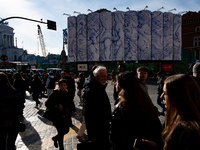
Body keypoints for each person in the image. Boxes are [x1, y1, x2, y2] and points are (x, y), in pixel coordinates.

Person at [144, 74, 200, 150]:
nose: (161, 96)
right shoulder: (173, 119)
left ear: (179, 96)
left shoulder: (189, 131)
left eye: (165, 93)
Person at [110, 71, 163, 150]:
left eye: (117, 82)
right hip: (145, 144)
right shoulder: (144, 100)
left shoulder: (122, 105)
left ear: (122, 85)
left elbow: (115, 133)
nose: (115, 84)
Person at [83, 66, 112, 149]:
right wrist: (91, 135)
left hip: (103, 125)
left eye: (106, 76)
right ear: (96, 77)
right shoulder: (91, 90)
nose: (105, 78)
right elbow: (88, 114)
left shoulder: (99, 85)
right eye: (103, 76)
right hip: (98, 129)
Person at [45, 79, 74, 150]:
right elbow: (47, 103)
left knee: (66, 130)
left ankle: (55, 138)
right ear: (59, 86)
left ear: (66, 86)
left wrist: (73, 110)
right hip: (57, 116)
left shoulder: (67, 93)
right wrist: (56, 105)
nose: (63, 87)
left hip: (66, 115)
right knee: (60, 131)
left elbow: (71, 102)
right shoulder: (55, 93)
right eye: (61, 85)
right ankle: (61, 148)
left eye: (64, 85)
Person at [0, 72, 24, 150]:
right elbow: (21, 107)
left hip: (2, 122)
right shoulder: (15, 92)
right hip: (14, 122)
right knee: (11, 144)